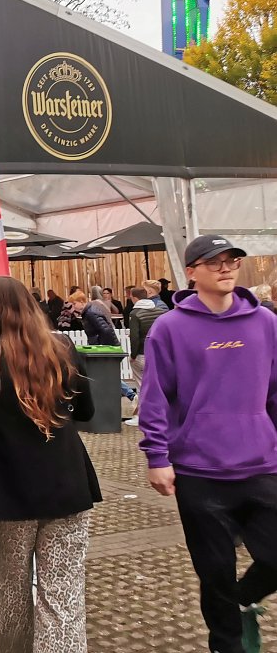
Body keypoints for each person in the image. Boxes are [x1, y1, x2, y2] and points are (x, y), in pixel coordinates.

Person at [139, 235, 277, 653]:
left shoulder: (265, 322)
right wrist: (157, 456)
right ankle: (226, 645)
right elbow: (155, 397)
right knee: (215, 571)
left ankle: (242, 600)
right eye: (214, 262)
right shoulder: (170, 328)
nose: (226, 268)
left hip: (261, 465)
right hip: (199, 471)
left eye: (232, 260)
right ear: (191, 272)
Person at [0, 275, 101, 653]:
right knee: (63, 593)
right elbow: (86, 409)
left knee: (14, 590)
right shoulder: (62, 347)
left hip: (8, 490)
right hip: (67, 483)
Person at [125, 285, 167, 427]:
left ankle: (141, 416)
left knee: (141, 385)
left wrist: (133, 355)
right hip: (158, 353)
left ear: (134, 297)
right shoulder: (160, 311)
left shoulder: (135, 313)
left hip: (142, 353)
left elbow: (135, 337)